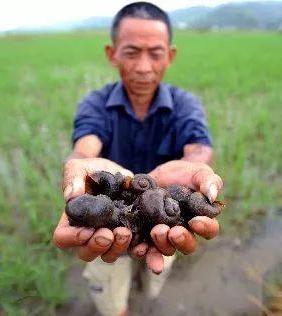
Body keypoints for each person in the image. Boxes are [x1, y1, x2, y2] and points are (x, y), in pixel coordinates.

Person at [53, 2, 223, 316]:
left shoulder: (185, 105)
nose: (144, 67)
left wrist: (195, 165)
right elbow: (85, 147)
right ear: (112, 53)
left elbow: (198, 147)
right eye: (132, 52)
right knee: (112, 300)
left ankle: (144, 295)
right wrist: (79, 165)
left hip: (160, 231)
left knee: (154, 273)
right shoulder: (96, 104)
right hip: (108, 242)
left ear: (170, 56)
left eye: (155, 53)